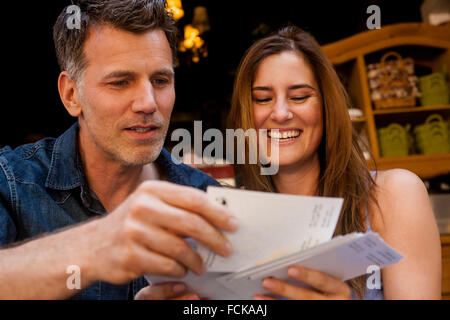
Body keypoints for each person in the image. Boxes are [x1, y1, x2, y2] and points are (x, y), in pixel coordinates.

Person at [0, 0, 239, 300]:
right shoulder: (12, 184)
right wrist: (92, 246)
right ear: (71, 95)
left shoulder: (208, 199)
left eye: (160, 80)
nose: (148, 103)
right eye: (120, 82)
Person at [228, 26, 442, 299]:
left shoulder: (394, 196)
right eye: (262, 99)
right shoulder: (233, 217)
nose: (280, 113)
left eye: (299, 97)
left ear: (327, 107)